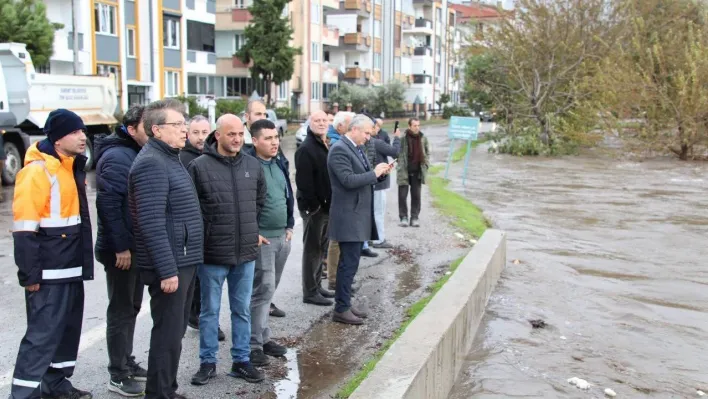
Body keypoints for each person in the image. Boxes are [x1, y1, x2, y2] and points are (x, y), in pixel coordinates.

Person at [10, 109, 94, 399]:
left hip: (69, 268)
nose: (83, 136)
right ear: (58, 139)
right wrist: (29, 275)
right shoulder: (36, 171)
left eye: (83, 131)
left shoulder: (70, 166)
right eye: (75, 132)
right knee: (42, 336)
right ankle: (23, 394)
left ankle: (56, 384)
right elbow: (23, 230)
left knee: (67, 332)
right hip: (48, 273)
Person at [128, 98, 204, 399]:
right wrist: (167, 269)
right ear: (157, 129)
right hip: (171, 263)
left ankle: (166, 390)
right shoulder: (150, 163)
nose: (184, 130)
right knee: (167, 334)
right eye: (178, 125)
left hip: (183, 258)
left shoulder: (169, 157)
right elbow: (150, 222)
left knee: (175, 334)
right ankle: (159, 394)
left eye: (184, 124)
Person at [188, 114, 267, 386]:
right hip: (211, 254)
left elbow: (259, 201)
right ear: (217, 135)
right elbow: (193, 209)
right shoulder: (199, 166)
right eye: (230, 134)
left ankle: (241, 361)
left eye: (239, 134)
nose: (236, 139)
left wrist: (249, 229)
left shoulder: (253, 166)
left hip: (244, 253)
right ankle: (207, 363)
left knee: (241, 310)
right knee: (209, 312)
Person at [94, 105, 149, 396]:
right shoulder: (117, 156)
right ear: (131, 130)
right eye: (146, 126)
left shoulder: (135, 152)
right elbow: (109, 206)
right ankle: (117, 374)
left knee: (132, 307)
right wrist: (122, 248)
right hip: (121, 251)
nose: (152, 130)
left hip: (135, 246)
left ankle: (126, 361)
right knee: (120, 310)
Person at [327, 114, 391, 325]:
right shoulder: (339, 149)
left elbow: (363, 176)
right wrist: (373, 174)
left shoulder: (355, 147)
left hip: (357, 215)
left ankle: (345, 303)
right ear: (353, 129)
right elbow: (347, 180)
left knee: (352, 264)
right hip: (348, 216)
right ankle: (341, 308)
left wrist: (380, 174)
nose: (368, 137)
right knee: (348, 264)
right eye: (366, 133)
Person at [245, 119, 292, 366]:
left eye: (276, 138)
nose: (274, 142)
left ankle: (264, 338)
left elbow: (287, 194)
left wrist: (290, 224)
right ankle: (254, 345)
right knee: (261, 291)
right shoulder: (250, 166)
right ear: (254, 141)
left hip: (282, 235)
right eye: (268, 139)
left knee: (269, 290)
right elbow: (245, 204)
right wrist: (253, 231)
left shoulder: (278, 163)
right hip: (262, 238)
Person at [180, 115, 225, 341]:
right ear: (188, 133)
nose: (200, 137)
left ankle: (200, 316)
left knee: (208, 280)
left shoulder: (215, 156)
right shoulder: (184, 158)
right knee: (199, 280)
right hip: (193, 227)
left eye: (204, 132)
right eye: (195, 132)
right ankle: (198, 316)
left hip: (213, 226)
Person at [295, 110, 334, 305]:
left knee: (320, 248)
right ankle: (310, 292)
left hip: (326, 207)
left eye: (324, 120)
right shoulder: (306, 148)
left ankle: (317, 286)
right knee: (312, 249)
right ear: (309, 124)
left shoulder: (323, 144)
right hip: (315, 209)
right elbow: (304, 183)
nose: (321, 123)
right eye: (317, 120)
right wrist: (315, 206)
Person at [366, 119, 401, 249]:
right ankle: (378, 239)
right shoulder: (377, 142)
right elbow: (396, 152)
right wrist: (397, 138)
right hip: (378, 182)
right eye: (377, 127)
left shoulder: (367, 142)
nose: (378, 129)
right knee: (378, 211)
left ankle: (370, 238)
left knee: (372, 211)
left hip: (369, 181)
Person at [397, 118, 430, 228]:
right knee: (402, 196)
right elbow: (395, 152)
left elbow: (427, 152)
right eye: (415, 125)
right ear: (409, 126)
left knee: (416, 196)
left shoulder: (423, 138)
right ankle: (403, 217)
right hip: (404, 171)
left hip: (417, 171)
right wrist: (400, 163)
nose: (417, 127)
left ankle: (414, 217)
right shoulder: (403, 139)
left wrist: (426, 164)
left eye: (418, 125)